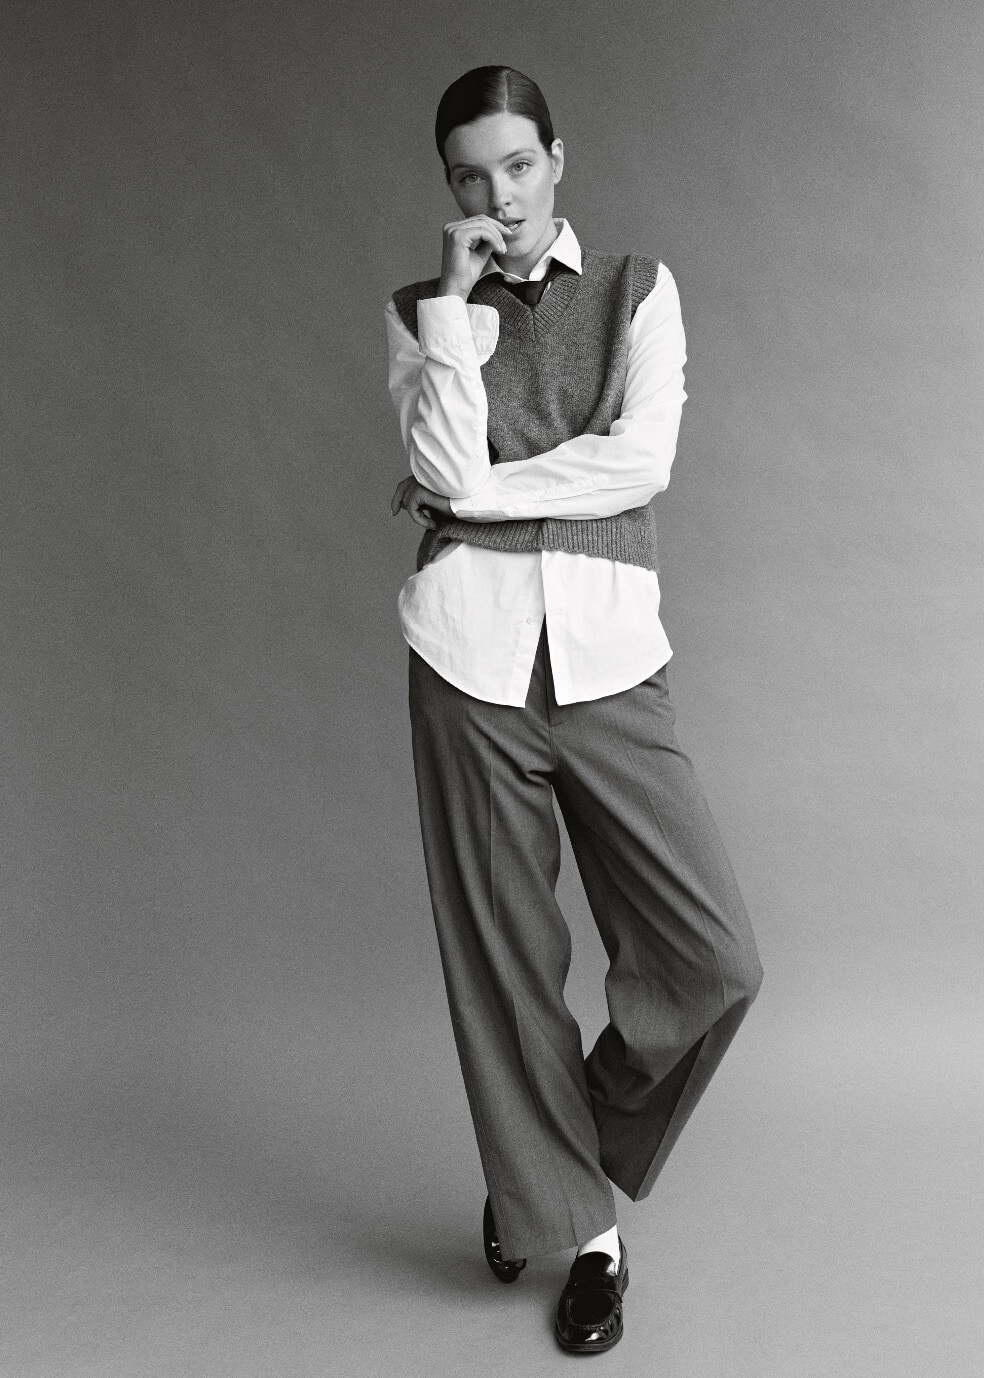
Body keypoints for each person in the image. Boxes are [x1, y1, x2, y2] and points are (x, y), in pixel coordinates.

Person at [385, 65, 763, 1356]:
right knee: (506, 963)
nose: (499, 196)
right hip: (466, 664)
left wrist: (477, 499)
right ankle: (584, 1238)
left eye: (518, 165)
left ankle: (548, 1157)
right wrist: (452, 316)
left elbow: (639, 463)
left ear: (558, 158)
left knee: (713, 960)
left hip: (610, 658)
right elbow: (440, 457)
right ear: (450, 188)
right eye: (470, 176)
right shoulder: (419, 313)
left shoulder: (639, 291)